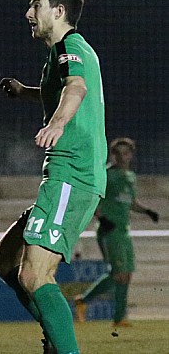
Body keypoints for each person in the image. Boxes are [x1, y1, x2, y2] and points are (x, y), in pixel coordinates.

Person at [0, 0, 106, 354]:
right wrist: (27, 92)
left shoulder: (73, 45)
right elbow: (62, 88)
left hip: (73, 176)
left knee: (34, 274)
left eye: (35, 5)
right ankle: (57, 336)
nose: (28, 12)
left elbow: (76, 88)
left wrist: (57, 124)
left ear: (58, 11)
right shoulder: (58, 56)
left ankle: (63, 347)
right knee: (4, 259)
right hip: (63, 176)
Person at [74, 138, 159, 327]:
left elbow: (131, 202)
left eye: (126, 152)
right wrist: (102, 219)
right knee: (119, 274)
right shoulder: (106, 175)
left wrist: (147, 211)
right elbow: (92, 197)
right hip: (109, 230)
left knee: (125, 274)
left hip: (123, 230)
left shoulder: (130, 176)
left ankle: (119, 318)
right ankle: (85, 302)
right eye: (118, 153)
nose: (122, 157)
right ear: (112, 155)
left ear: (131, 154)